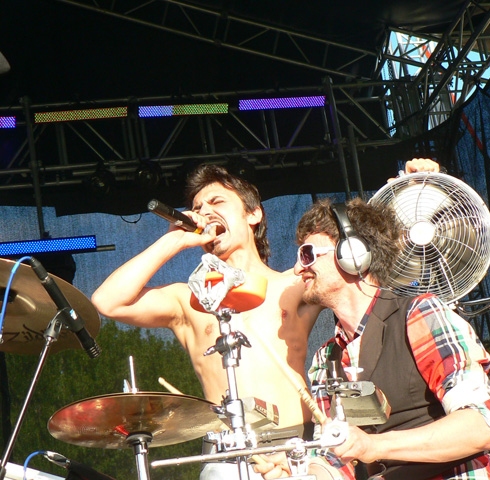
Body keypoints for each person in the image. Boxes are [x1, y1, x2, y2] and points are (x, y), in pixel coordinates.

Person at [91, 159, 441, 479]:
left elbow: (368, 256)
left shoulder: (295, 282)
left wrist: (413, 189)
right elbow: (107, 301)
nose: (204, 212)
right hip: (228, 456)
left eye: (216, 202)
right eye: (197, 208)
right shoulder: (187, 299)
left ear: (253, 214)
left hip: (300, 450)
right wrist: (174, 241)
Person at [255, 196, 490, 480]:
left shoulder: (419, 314)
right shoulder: (325, 360)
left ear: (352, 253)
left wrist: (373, 445)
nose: (298, 269)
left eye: (307, 254)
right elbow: (334, 461)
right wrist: (299, 473)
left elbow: (481, 425)